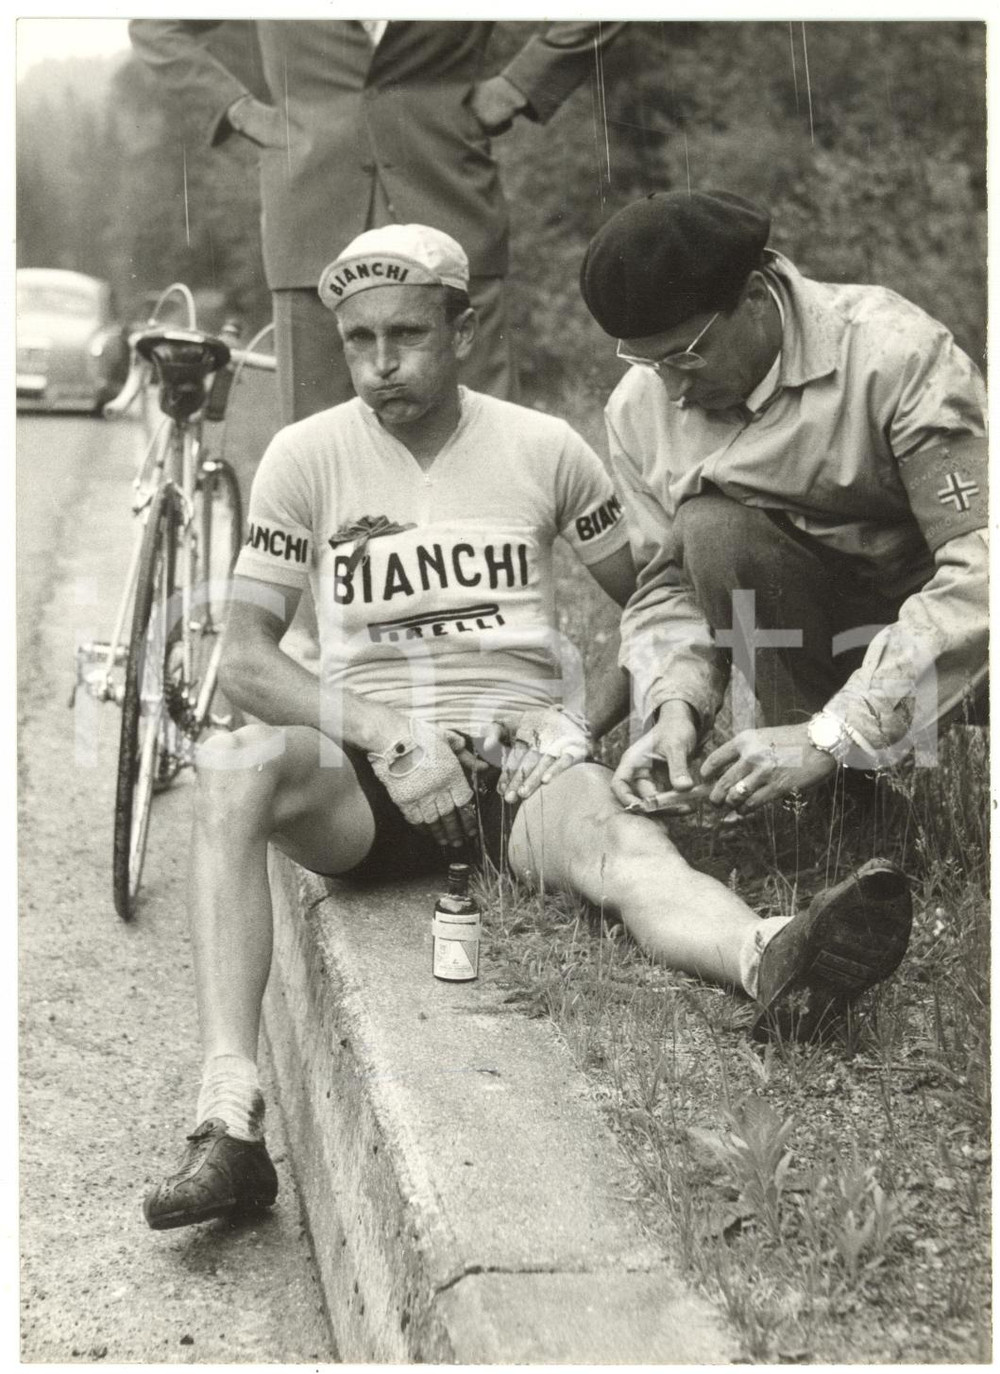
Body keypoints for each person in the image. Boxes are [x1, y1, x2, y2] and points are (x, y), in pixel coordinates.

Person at [142, 224, 912, 1232]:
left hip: (516, 765)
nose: (382, 365)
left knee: (626, 850)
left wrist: (583, 729)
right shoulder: (304, 456)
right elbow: (240, 660)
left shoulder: (544, 449)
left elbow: (660, 607)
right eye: (359, 340)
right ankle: (228, 1123)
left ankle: (770, 953)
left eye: (408, 334)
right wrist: (385, 731)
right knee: (231, 761)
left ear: (463, 325)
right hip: (368, 783)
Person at [578, 189, 987, 816]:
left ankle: (830, 758)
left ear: (755, 296)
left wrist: (839, 730)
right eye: (648, 360)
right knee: (713, 531)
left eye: (688, 355)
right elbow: (667, 586)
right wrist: (674, 707)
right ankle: (841, 810)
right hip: (830, 632)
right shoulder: (639, 408)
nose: (675, 388)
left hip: (957, 634)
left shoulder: (892, 354)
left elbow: (981, 568)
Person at [128, 18, 626, 423]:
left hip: (447, 197)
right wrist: (238, 110)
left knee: (483, 432)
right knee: (319, 447)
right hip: (310, 213)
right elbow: (157, 24)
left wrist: (519, 87)